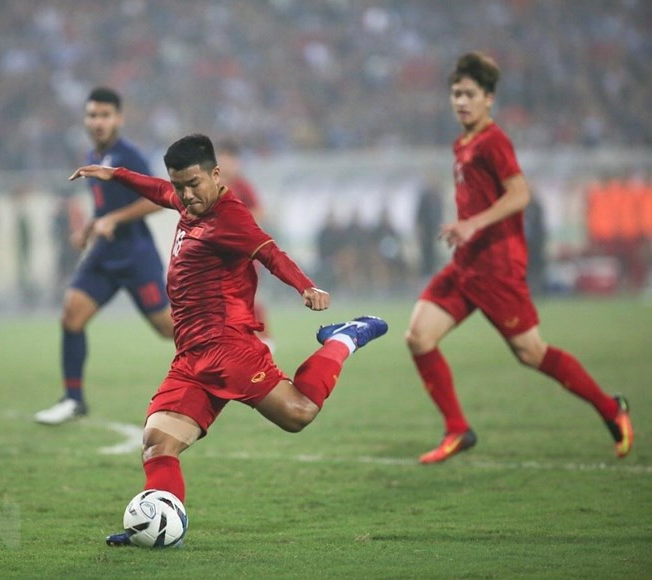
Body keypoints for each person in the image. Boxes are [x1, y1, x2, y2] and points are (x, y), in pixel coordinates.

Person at [69, 134, 388, 547]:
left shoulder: (229, 216)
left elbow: (270, 253)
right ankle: (159, 528)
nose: (185, 195)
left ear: (215, 175)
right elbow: (160, 190)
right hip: (191, 355)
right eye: (180, 185)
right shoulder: (187, 199)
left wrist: (306, 287)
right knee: (157, 443)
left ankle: (344, 338)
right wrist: (115, 174)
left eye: (193, 184)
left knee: (299, 414)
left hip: (227, 346)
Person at [405, 53, 633, 464]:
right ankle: (458, 429)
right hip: (466, 265)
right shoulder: (462, 143)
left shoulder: (494, 141)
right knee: (419, 337)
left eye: (470, 94)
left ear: (489, 99)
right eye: (455, 94)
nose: (460, 102)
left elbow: (520, 193)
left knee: (530, 352)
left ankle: (609, 408)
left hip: (496, 267)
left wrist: (473, 224)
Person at [35, 88, 173, 424]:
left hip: (135, 256)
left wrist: (114, 219)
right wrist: (90, 227)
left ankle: (237, 351)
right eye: (92, 115)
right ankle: (73, 400)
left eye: (105, 115)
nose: (98, 122)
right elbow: (106, 206)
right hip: (104, 255)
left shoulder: (129, 155)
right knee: (71, 317)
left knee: (170, 330)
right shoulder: (94, 155)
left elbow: (159, 197)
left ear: (119, 118)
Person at [215, 140, 272, 349]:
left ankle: (265, 340)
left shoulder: (242, 186)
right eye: (222, 158)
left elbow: (260, 211)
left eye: (230, 159)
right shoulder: (211, 185)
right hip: (217, 254)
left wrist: (239, 223)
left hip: (242, 253)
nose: (226, 163)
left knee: (247, 298)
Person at [415, 179, 443, 278]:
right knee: (425, 251)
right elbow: (419, 215)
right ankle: (425, 274)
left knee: (433, 251)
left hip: (433, 229)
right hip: (425, 230)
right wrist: (420, 229)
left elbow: (439, 214)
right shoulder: (424, 198)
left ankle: (432, 272)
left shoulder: (437, 198)